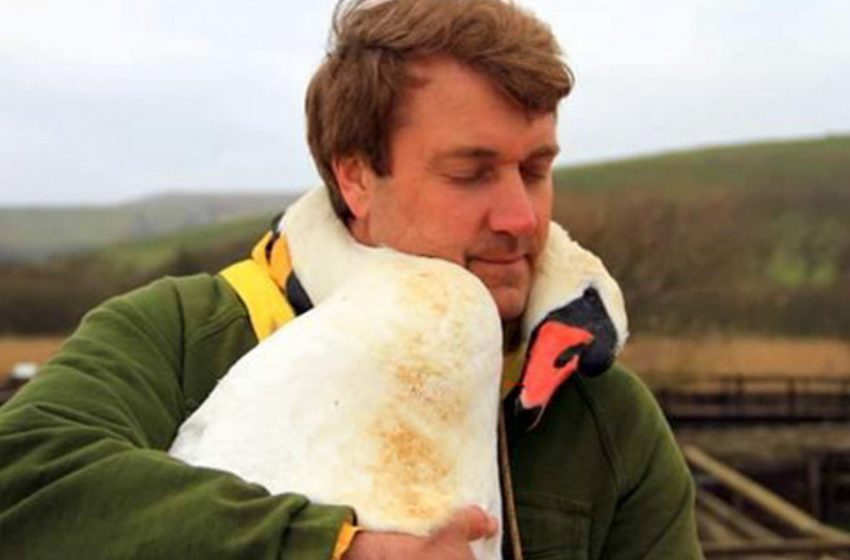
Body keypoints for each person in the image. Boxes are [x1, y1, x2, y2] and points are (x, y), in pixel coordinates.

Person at [0, 0, 703, 558]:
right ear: (356, 175)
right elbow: (21, 480)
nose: (522, 217)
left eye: (536, 169)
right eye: (471, 173)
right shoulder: (184, 334)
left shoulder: (606, 419)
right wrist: (335, 550)